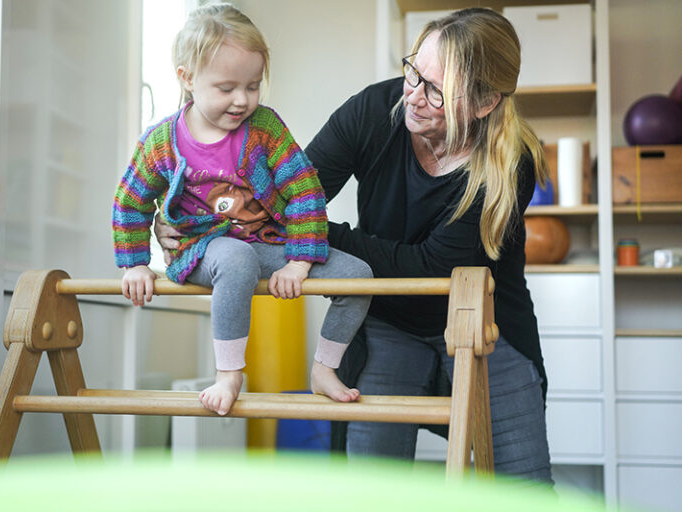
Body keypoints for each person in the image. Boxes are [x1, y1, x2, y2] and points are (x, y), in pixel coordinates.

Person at [155, 6, 554, 483]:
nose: (415, 96)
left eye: (437, 92)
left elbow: (431, 267)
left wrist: (322, 235)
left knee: (524, 485)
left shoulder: (511, 162)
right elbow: (284, 202)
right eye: (414, 73)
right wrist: (194, 222)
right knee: (373, 485)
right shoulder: (373, 110)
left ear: (486, 102)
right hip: (387, 320)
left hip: (485, 324)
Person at [112, 3, 372, 417]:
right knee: (235, 257)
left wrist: (299, 262)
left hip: (265, 243)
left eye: (253, 86)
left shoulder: (265, 128)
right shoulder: (162, 141)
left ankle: (324, 369)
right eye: (227, 87)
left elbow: (306, 190)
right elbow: (131, 200)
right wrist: (135, 264)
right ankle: (229, 372)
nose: (242, 100)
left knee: (358, 276)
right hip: (202, 249)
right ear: (188, 78)